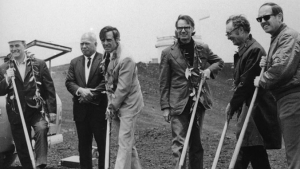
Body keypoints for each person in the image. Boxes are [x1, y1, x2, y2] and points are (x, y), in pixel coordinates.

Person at [159, 15, 224, 169]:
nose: (183, 31)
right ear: (176, 30)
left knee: (196, 143)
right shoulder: (168, 53)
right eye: (180, 28)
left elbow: (219, 62)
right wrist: (165, 107)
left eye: (187, 27)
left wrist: (208, 70)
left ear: (192, 29)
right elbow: (163, 82)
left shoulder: (202, 48)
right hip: (177, 103)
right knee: (179, 143)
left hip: (198, 101)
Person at [225, 15, 281, 169]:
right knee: (255, 150)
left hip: (256, 109)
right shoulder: (245, 50)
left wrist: (232, 104)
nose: (228, 37)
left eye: (229, 33)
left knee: (245, 147)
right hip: (249, 107)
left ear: (241, 30)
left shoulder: (254, 50)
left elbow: (247, 83)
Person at [254, 2, 300, 169]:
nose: (263, 21)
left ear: (279, 16)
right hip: (286, 98)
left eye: (267, 17)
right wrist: (267, 63)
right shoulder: (278, 38)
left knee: (295, 153)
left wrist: (262, 79)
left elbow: (281, 70)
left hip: (292, 98)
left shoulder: (287, 36)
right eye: (259, 19)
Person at [0, 40, 57, 169]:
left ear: (24, 46)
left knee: (42, 128)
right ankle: (29, 166)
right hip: (16, 112)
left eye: (17, 46)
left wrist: (52, 110)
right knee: (21, 144)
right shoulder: (4, 67)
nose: (14, 49)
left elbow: (49, 88)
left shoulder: (39, 64)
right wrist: (7, 79)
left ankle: (40, 163)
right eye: (11, 46)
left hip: (35, 110)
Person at [99, 26, 144, 169]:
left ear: (117, 39)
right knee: (127, 143)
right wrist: (110, 104)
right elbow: (109, 82)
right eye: (102, 40)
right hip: (117, 102)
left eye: (108, 40)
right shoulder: (108, 54)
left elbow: (123, 88)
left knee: (124, 142)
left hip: (130, 104)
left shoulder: (126, 59)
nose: (105, 43)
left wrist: (112, 107)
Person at [65, 32, 107, 169]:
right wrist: (80, 91)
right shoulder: (74, 62)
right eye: (81, 43)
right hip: (81, 111)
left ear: (95, 44)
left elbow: (106, 81)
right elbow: (69, 82)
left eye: (87, 43)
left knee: (103, 145)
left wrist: (91, 94)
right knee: (83, 145)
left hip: (99, 111)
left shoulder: (105, 59)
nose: (83, 46)